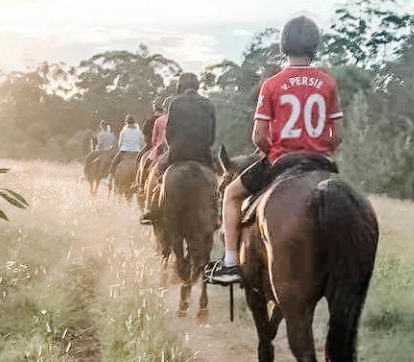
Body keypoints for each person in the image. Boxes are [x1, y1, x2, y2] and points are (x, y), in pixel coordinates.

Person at [207, 15, 342, 285]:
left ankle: (231, 262)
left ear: (284, 45)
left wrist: (272, 150)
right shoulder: (328, 83)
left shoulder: (271, 84)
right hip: (319, 162)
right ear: (313, 46)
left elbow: (259, 137)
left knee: (232, 194)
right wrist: (319, 148)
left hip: (282, 159)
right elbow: (338, 135)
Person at [140, 74, 216, 225]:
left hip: (177, 153)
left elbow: (169, 133)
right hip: (203, 154)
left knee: (154, 173)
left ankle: (148, 208)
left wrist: (174, 146)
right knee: (215, 180)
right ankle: (216, 212)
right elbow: (211, 135)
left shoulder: (174, 103)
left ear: (180, 87)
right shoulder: (208, 104)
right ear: (197, 86)